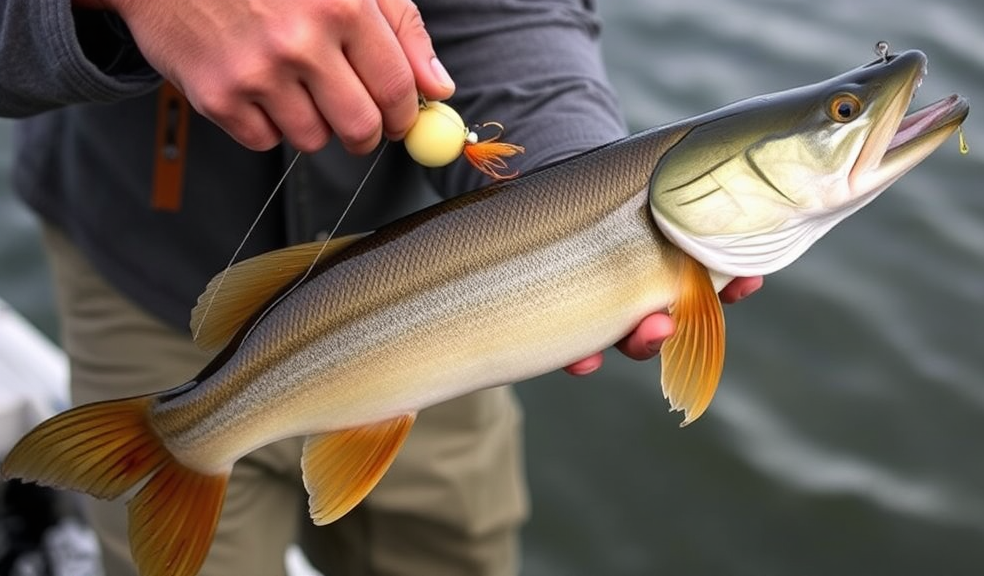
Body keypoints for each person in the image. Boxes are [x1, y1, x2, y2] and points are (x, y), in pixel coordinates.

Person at [0, 0, 762, 575]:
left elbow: (512, 15)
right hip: (135, 256)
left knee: (453, 549)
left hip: (448, 306)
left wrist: (574, 183)